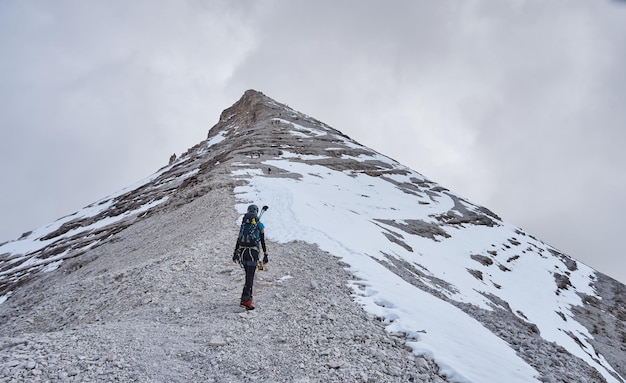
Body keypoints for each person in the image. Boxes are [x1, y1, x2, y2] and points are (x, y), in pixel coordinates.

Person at [233, 204, 268, 310]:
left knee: (248, 275)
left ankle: (249, 298)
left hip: (242, 252)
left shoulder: (244, 225)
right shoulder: (259, 224)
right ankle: (245, 300)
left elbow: (239, 239)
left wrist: (235, 253)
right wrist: (265, 254)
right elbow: (262, 240)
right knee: (250, 277)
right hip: (253, 252)